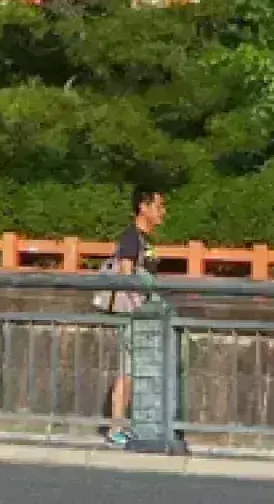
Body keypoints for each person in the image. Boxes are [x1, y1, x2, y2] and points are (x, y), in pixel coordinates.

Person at [101, 187, 167, 447]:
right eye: (159, 206)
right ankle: (116, 426)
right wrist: (140, 302)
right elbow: (127, 274)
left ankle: (124, 424)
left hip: (143, 314)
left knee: (133, 370)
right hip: (133, 313)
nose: (163, 212)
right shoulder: (131, 238)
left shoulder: (145, 240)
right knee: (128, 370)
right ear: (143, 206)